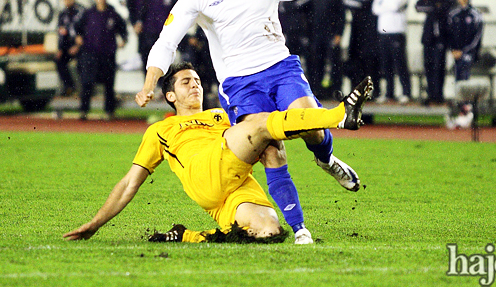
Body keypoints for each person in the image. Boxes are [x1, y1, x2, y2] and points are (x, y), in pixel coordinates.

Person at [135, 0, 391, 244]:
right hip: (240, 83)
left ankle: (326, 158)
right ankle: (300, 229)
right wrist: (148, 84)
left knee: (311, 127)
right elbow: (166, 41)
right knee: (272, 147)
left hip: (280, 67)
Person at [64, 62, 373, 244]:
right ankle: (338, 116)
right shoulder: (160, 130)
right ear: (170, 95)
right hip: (207, 171)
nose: (195, 86)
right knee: (260, 126)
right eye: (186, 82)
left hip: (233, 183)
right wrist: (95, 224)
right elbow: (130, 182)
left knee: (267, 230)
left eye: (197, 81)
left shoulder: (220, 114)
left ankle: (187, 236)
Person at [72, 0, 128, 120]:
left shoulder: (112, 14)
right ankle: (83, 111)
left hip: (108, 54)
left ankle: (109, 111)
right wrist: (78, 37)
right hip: (90, 53)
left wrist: (123, 40)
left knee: (109, 84)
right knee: (87, 82)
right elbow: (76, 27)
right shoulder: (88, 13)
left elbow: (123, 28)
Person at [297, 0, 346, 98]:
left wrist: (339, 34)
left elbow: (342, 14)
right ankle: (316, 91)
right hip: (315, 35)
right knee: (316, 63)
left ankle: (335, 91)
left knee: (333, 64)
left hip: (331, 34)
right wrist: (306, 33)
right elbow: (304, 12)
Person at [371, 0, 411, 104]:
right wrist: (388, 6)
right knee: (386, 64)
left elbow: (396, 5)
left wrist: (385, 6)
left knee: (400, 64)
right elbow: (375, 8)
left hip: (397, 30)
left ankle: (406, 92)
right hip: (383, 31)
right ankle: (389, 93)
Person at [415, 0, 455, 105]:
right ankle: (431, 94)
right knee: (428, 65)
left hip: (441, 36)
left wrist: (434, 7)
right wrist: (434, 6)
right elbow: (418, 5)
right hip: (428, 35)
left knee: (439, 66)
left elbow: (446, 7)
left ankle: (439, 94)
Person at [445, 0, 483, 129]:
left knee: (465, 79)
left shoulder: (475, 15)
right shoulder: (453, 14)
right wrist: (453, 49)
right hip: (455, 53)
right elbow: (448, 33)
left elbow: (477, 37)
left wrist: (464, 50)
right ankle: (463, 110)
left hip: (468, 53)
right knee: (457, 81)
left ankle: (467, 110)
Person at [345, 0, 383, 97]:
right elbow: (348, 0)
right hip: (357, 30)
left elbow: (364, 1)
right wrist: (356, 2)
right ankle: (357, 92)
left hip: (371, 30)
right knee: (356, 59)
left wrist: (355, 2)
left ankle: (374, 92)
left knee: (371, 60)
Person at [139, 0, 178, 71]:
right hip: (149, 32)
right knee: (149, 59)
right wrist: (138, 23)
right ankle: (149, 84)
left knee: (164, 60)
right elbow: (141, 10)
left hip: (165, 32)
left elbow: (178, 11)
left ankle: (163, 85)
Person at [55, 0, 85, 96]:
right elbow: (61, 33)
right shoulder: (62, 14)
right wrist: (60, 48)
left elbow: (85, 32)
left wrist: (77, 46)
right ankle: (69, 86)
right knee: (59, 60)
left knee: (81, 62)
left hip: (81, 47)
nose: (67, 0)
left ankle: (83, 90)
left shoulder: (81, 12)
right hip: (68, 47)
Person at [126, 0, 154, 66]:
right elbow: (131, 6)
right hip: (141, 27)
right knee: (144, 53)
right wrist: (134, 23)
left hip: (153, 25)